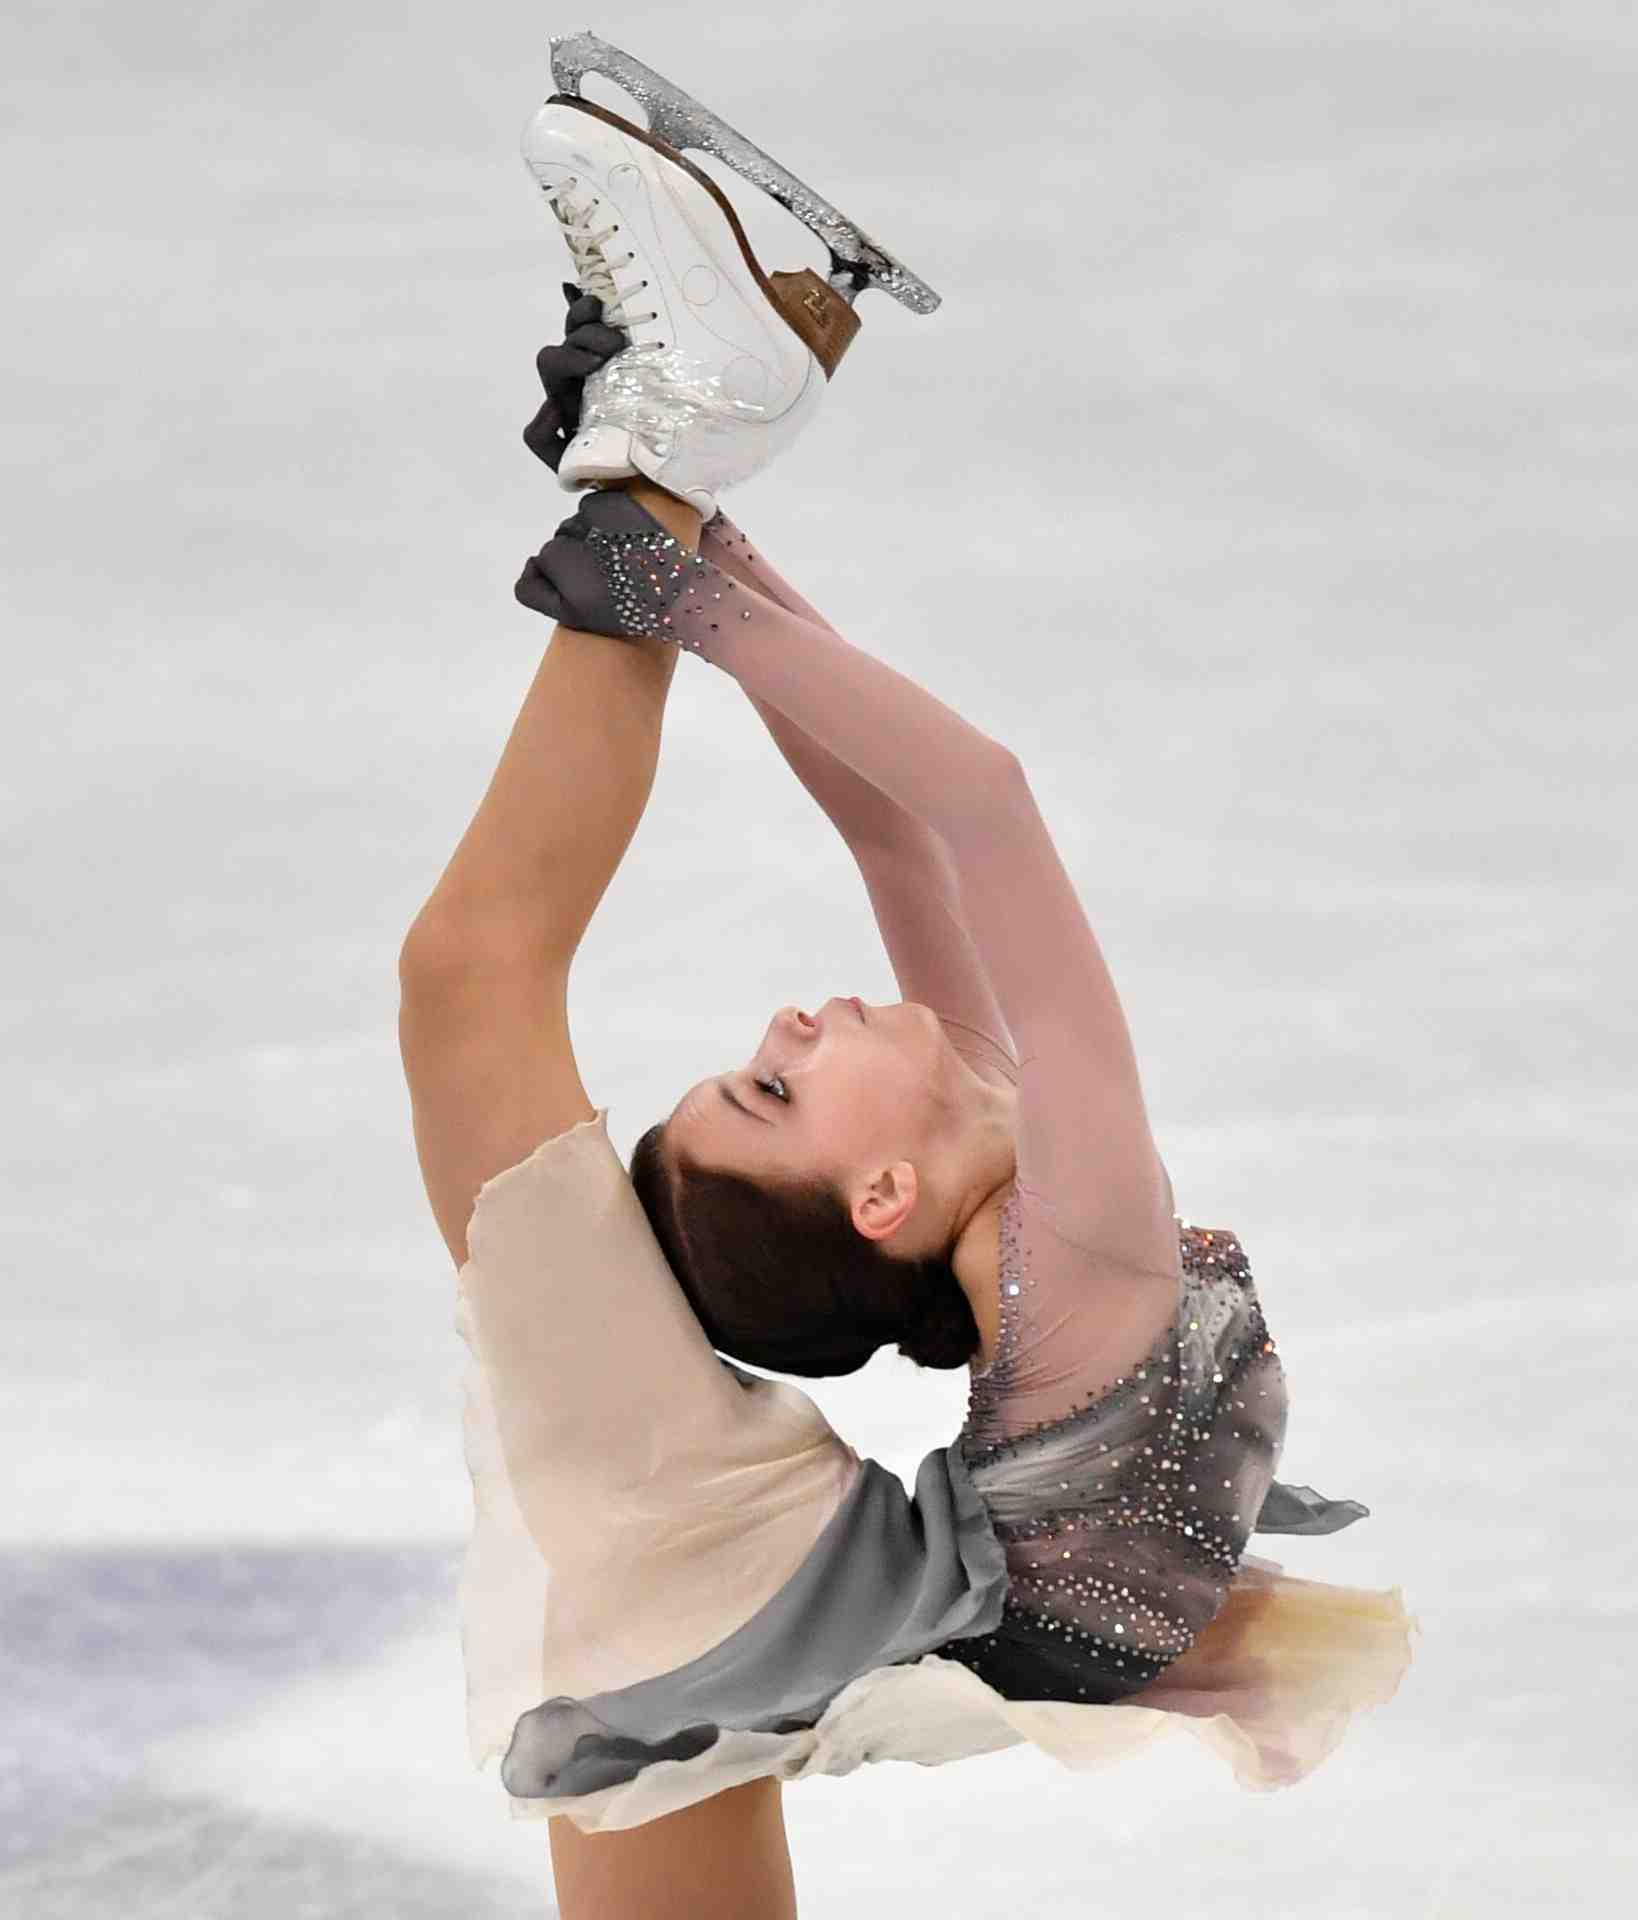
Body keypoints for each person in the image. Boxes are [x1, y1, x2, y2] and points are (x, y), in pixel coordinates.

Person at [397, 105, 1416, 1920]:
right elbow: (976, 805)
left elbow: (882, 806)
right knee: (645, 1730)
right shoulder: (1077, 1236)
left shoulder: (984, 1146)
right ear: (882, 1201)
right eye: (779, 1087)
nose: (791, 1020)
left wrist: (682, 524)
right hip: (950, 1591)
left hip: (919, 1583)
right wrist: (672, 564)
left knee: (645, 1741)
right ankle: (693, 413)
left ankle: (694, 413)